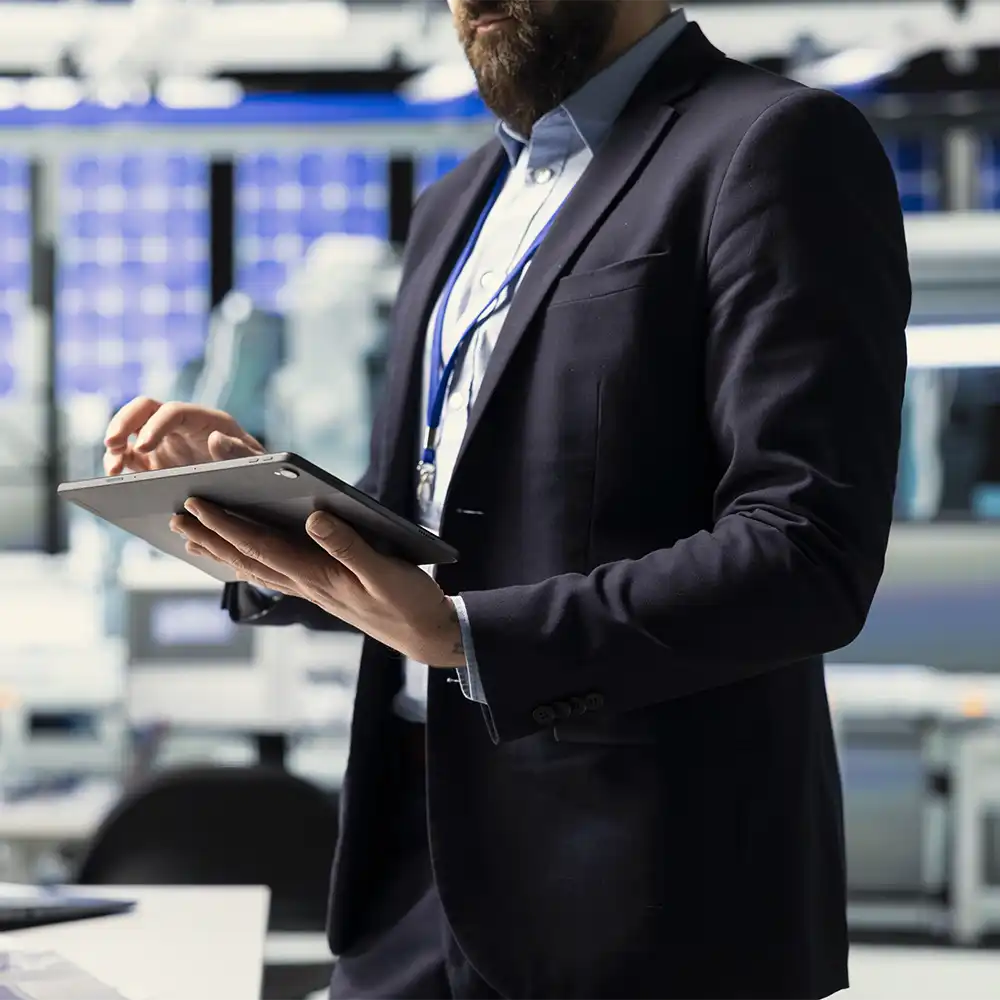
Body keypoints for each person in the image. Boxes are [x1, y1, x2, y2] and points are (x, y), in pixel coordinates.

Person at [102, 1, 911, 997]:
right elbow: (427, 527)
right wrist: (253, 506)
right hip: (415, 875)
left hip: (645, 901)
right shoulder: (455, 204)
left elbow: (805, 551)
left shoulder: (769, 145)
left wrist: (470, 636)